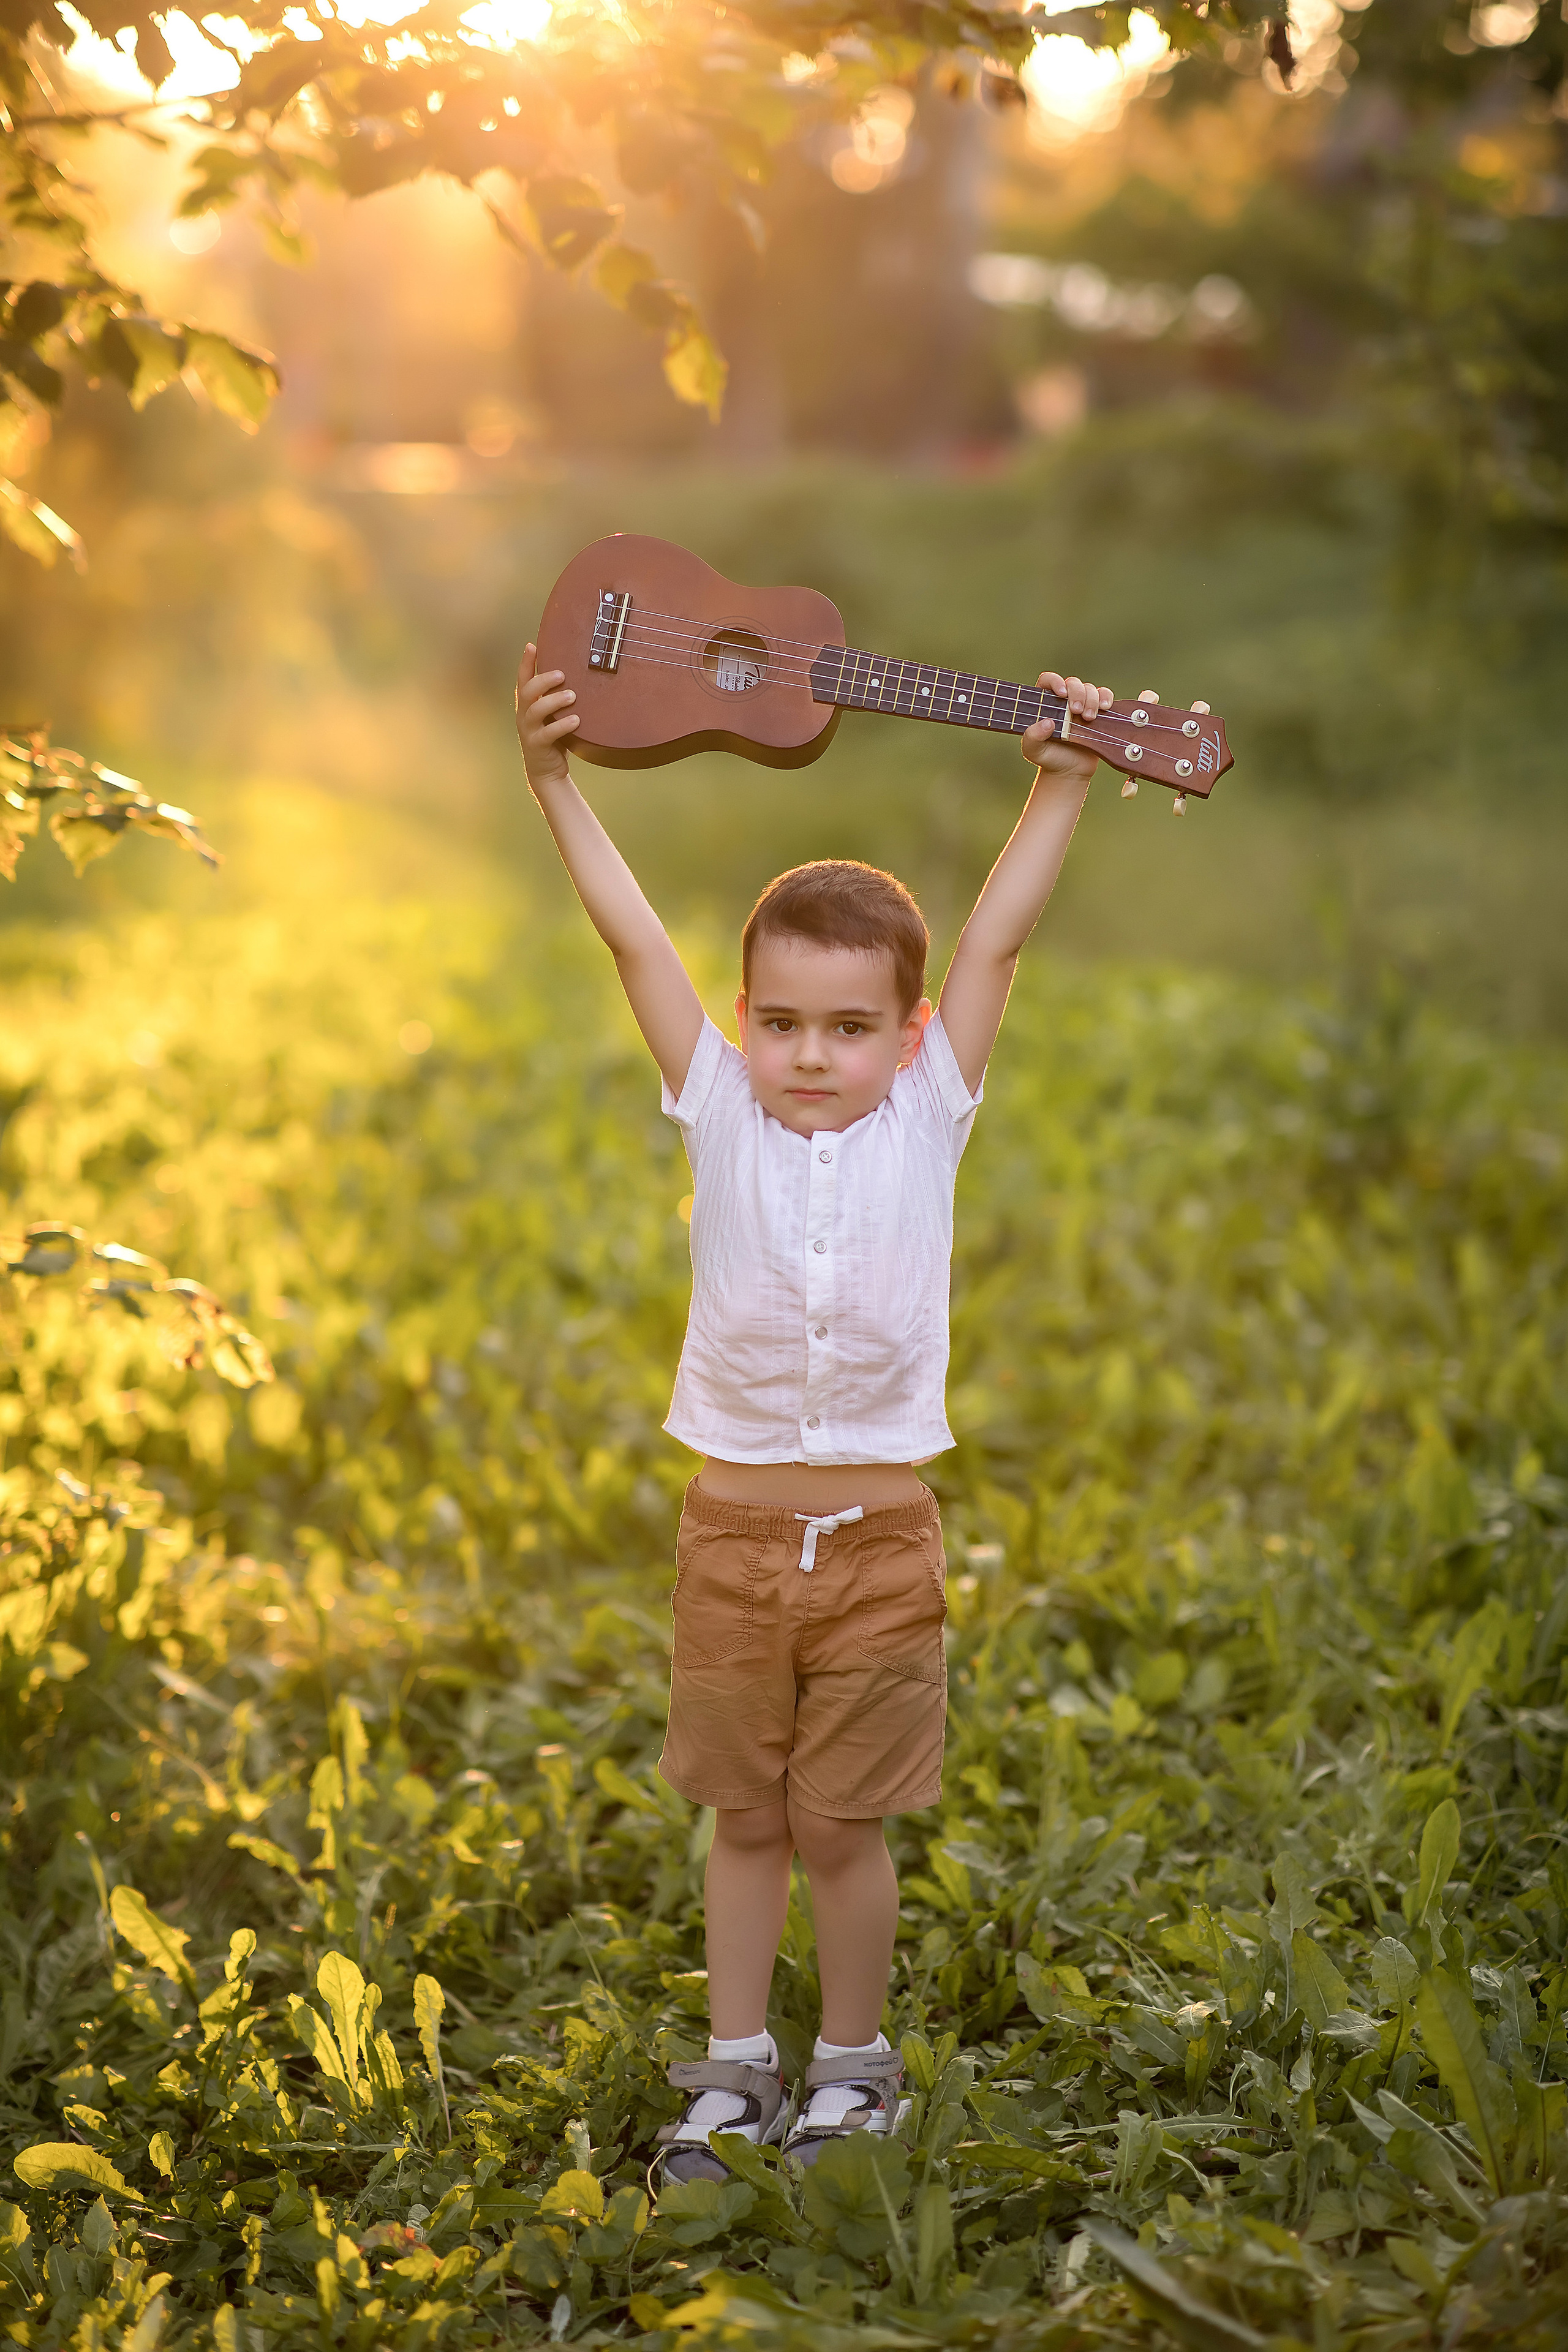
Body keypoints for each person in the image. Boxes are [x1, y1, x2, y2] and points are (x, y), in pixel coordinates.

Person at [516, 639, 1120, 2179]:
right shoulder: (717, 1103)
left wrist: (1058, 781)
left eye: (846, 1030)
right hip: (728, 1537)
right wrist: (555, 784)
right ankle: (731, 2071)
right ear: (745, 1020)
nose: (806, 1056)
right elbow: (636, 946)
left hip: (876, 1543)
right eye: (779, 1023)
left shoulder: (929, 1118)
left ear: (905, 1040)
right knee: (746, 1818)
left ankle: (852, 2069)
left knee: (844, 1827)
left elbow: (988, 946)